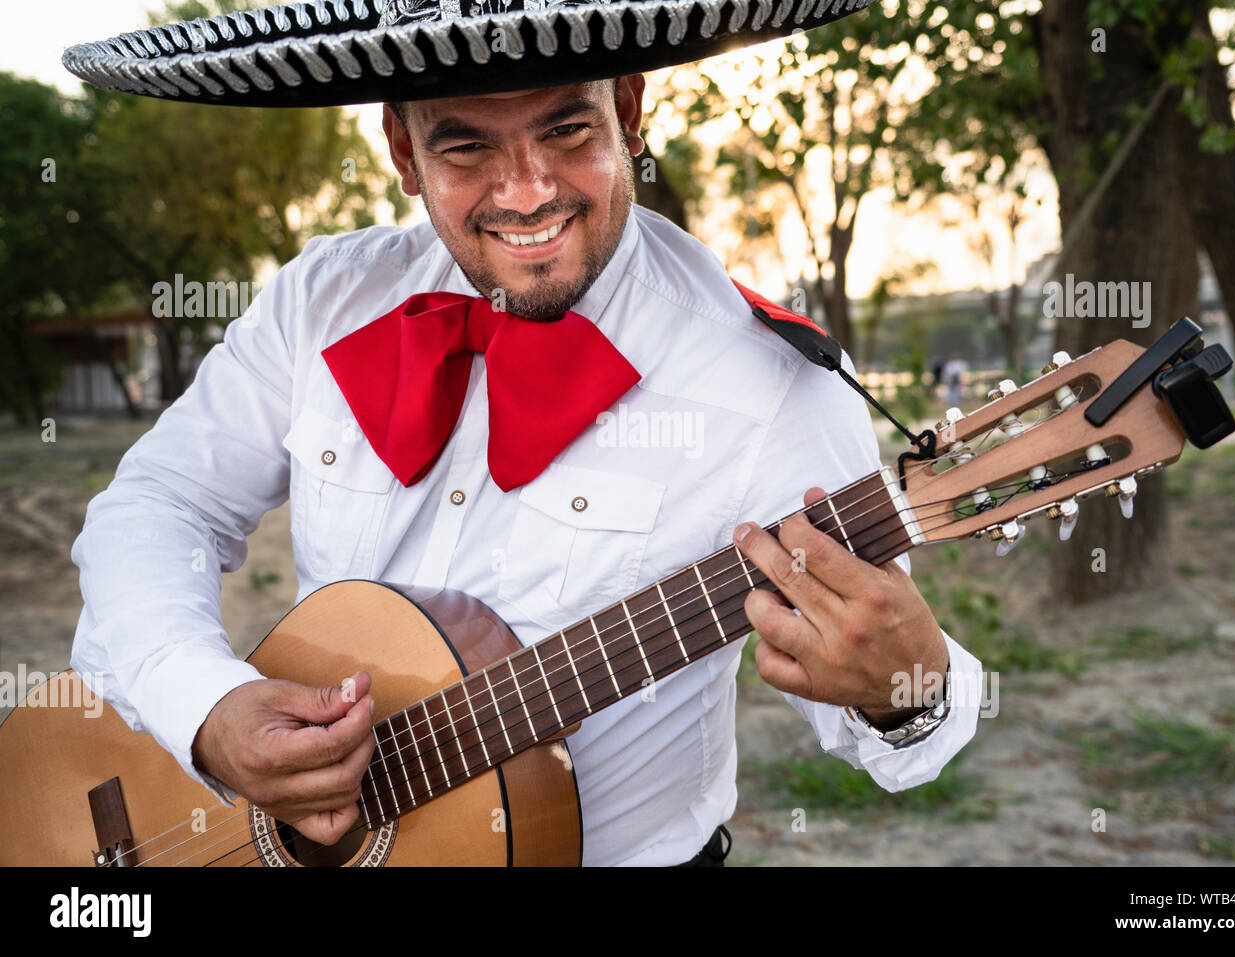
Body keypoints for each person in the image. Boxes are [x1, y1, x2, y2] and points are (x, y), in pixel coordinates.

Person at [65, 0, 983, 866]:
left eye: (566, 129)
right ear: (401, 149)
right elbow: (159, 503)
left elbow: (888, 727)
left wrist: (912, 689)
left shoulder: (773, 381)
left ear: (629, 108)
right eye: (465, 147)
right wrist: (204, 705)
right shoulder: (324, 299)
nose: (528, 191)